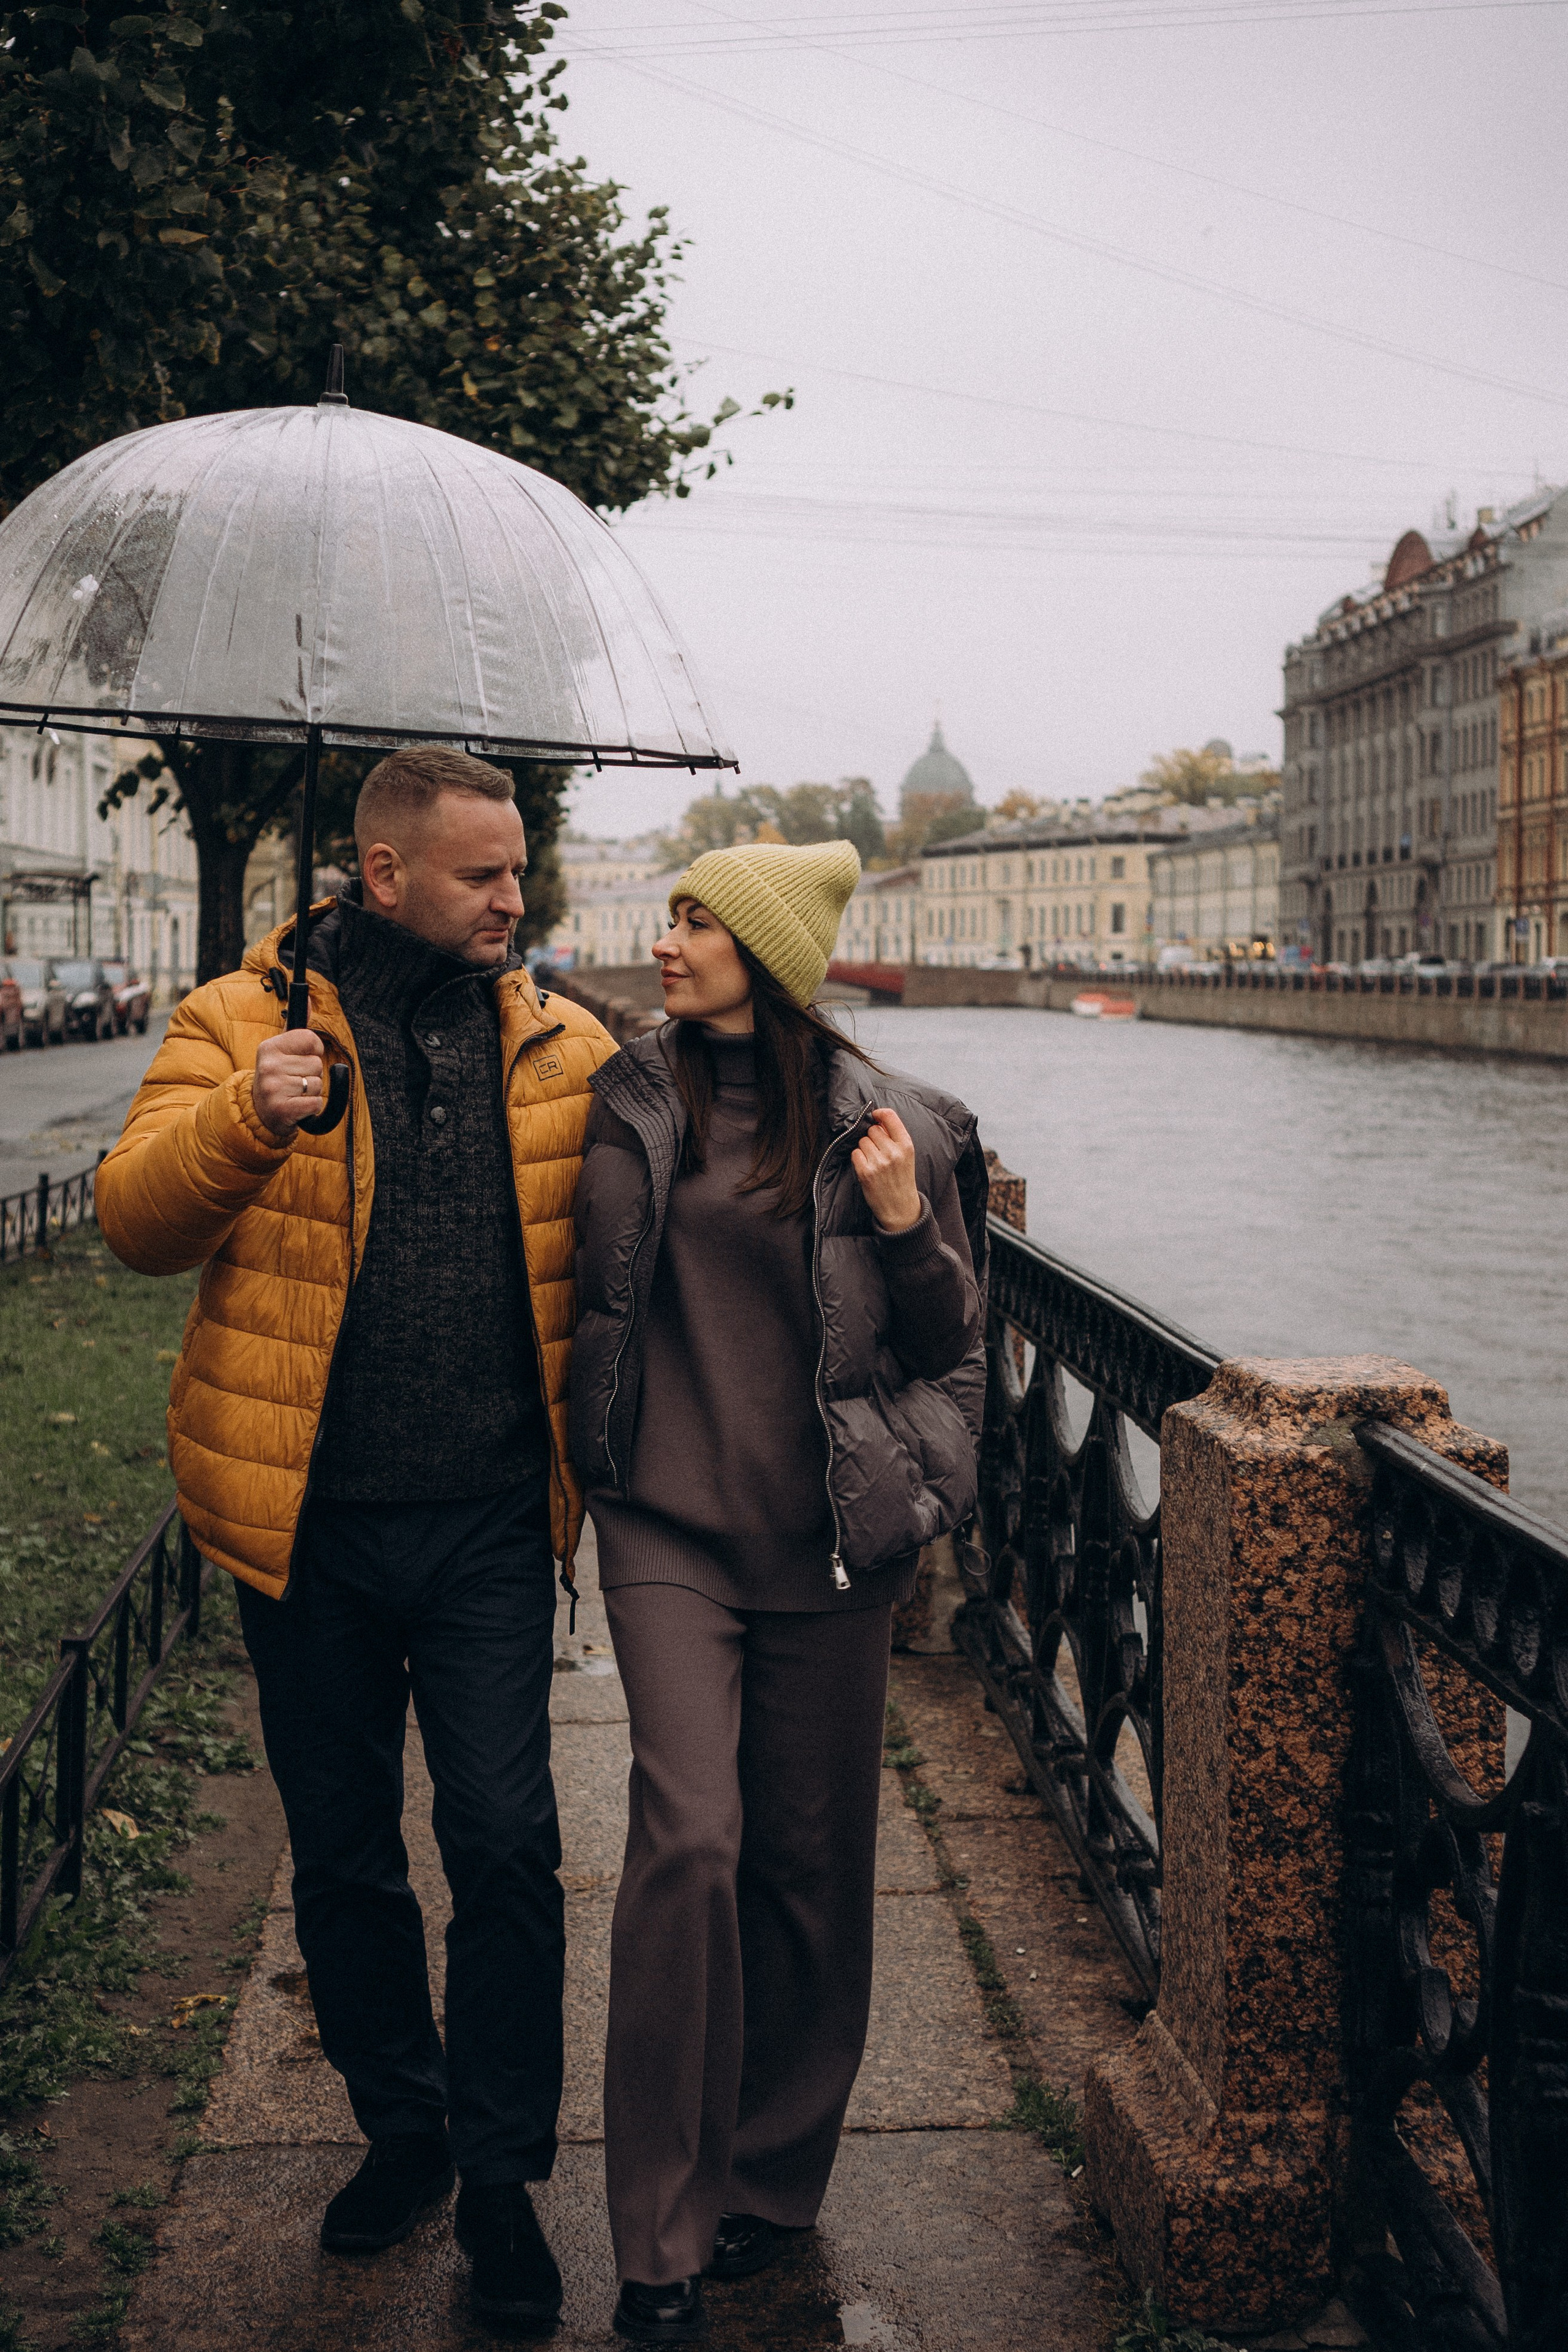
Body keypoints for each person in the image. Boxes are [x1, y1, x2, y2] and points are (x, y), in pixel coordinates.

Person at [96, 747, 616, 2337]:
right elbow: (132, 1221)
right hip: (302, 1524)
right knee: (344, 1857)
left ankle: (504, 2180)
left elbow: (718, 1147)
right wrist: (245, 1124)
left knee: (509, 1845)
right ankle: (402, 2129)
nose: (516, 899)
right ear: (383, 874)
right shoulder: (239, 1026)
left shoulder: (563, 1041)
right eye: (484, 875)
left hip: (481, 1526)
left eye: (520, 870)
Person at [570, 839, 988, 2345]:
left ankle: (771, 2177)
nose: (666, 939)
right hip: (666, 1528)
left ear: (768, 952)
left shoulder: (905, 1127)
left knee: (809, 1870)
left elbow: (953, 1344)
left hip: (826, 1538)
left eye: (695, 919)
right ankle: (658, 2236)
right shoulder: (619, 1093)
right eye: (667, 912)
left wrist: (902, 1225)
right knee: (689, 1840)